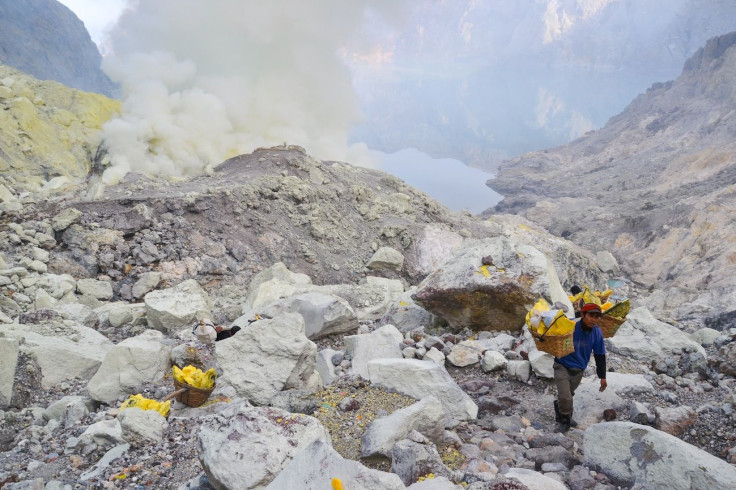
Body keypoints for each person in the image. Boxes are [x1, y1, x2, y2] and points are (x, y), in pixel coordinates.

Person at [553, 303, 607, 431]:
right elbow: (554, 335)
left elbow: (600, 355)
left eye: (597, 316)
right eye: (591, 316)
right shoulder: (571, 326)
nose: (594, 319)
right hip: (562, 365)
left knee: (568, 395)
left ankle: (560, 412)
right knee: (566, 396)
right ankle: (565, 422)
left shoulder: (597, 333)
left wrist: (602, 377)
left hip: (578, 369)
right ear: (583, 315)